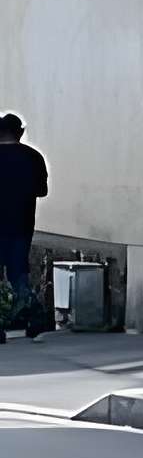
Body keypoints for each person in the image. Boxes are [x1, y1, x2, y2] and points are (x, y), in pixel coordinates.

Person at [0, 117, 46, 338]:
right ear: (19, 132)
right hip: (22, 223)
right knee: (19, 272)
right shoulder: (33, 157)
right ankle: (31, 316)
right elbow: (42, 191)